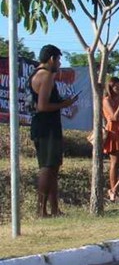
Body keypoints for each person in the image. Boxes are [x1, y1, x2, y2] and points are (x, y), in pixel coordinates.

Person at [29, 45, 77, 217]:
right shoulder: (46, 76)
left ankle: (54, 209)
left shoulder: (36, 74)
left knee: (53, 167)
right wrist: (64, 104)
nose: (59, 63)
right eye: (58, 59)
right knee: (47, 167)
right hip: (46, 127)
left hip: (46, 125)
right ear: (51, 59)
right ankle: (41, 210)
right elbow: (42, 106)